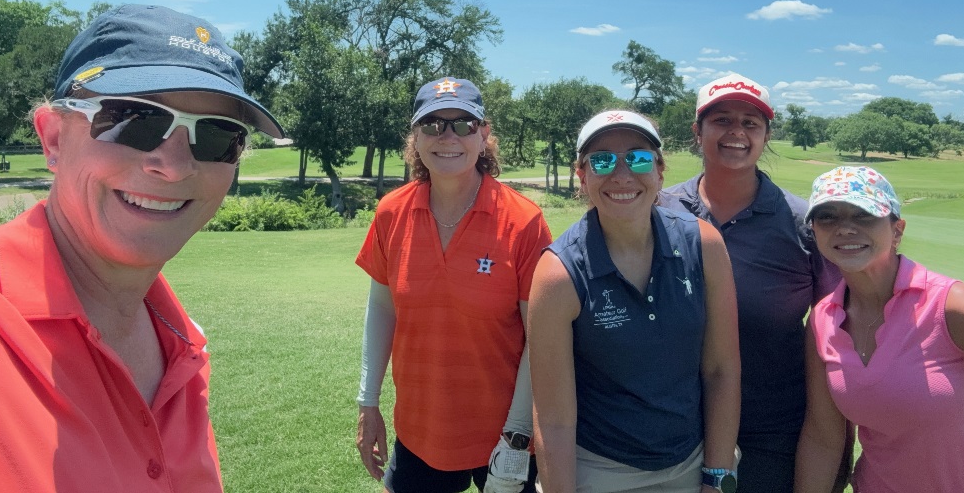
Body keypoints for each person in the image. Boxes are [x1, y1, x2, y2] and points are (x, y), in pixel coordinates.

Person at [0, 4, 284, 492]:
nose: (173, 166)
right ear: (52, 138)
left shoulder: (184, 344)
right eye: (134, 119)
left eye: (217, 135)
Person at [354, 77, 553, 493]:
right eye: (433, 125)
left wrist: (517, 437)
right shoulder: (392, 211)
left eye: (463, 124)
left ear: (484, 136)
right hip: (421, 430)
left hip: (503, 433)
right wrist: (367, 403)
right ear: (416, 138)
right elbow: (383, 310)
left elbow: (541, 337)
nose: (447, 136)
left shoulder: (523, 221)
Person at [529, 110, 740, 493]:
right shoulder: (558, 274)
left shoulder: (704, 245)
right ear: (582, 176)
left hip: (690, 464)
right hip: (599, 469)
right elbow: (554, 418)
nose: (622, 175)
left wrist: (718, 476)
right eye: (602, 160)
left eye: (639, 158)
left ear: (660, 171)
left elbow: (721, 370)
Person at [658, 73, 841, 493]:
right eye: (721, 120)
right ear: (697, 131)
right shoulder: (659, 210)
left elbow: (836, 335)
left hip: (773, 430)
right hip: (672, 425)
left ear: (765, 134)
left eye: (750, 122)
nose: (736, 132)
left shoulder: (802, 224)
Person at [794, 166, 964, 491]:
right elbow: (823, 437)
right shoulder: (823, 319)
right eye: (828, 217)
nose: (845, 229)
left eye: (864, 215)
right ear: (814, 231)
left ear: (897, 230)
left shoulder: (952, 306)